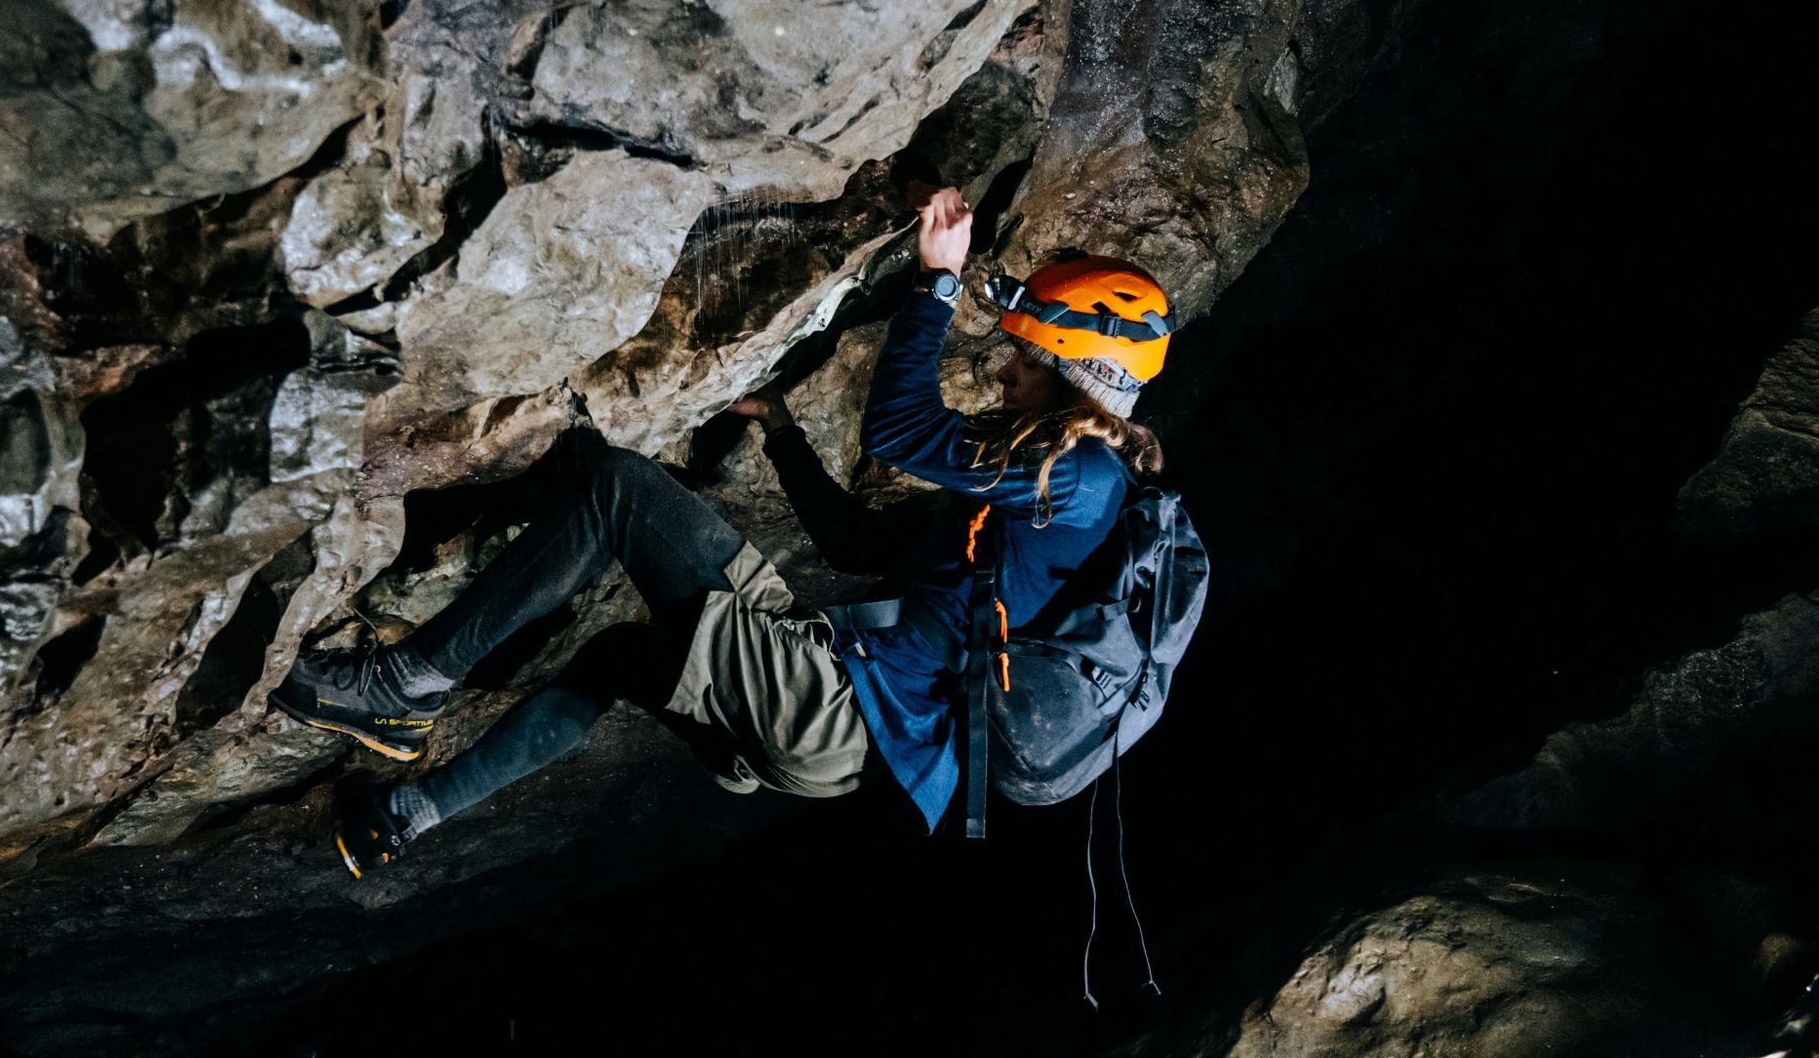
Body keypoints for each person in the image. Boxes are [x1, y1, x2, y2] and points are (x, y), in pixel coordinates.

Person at [270, 187, 1177, 877]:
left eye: (1031, 353)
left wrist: (938, 283)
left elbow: (897, 431)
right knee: (624, 658)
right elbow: (856, 549)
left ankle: (401, 687)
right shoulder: (1047, 500)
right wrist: (780, 428)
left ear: (1078, 365)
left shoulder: (1081, 479)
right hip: (839, 739)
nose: (1012, 367)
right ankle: (402, 820)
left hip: (835, 709)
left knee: (618, 487)